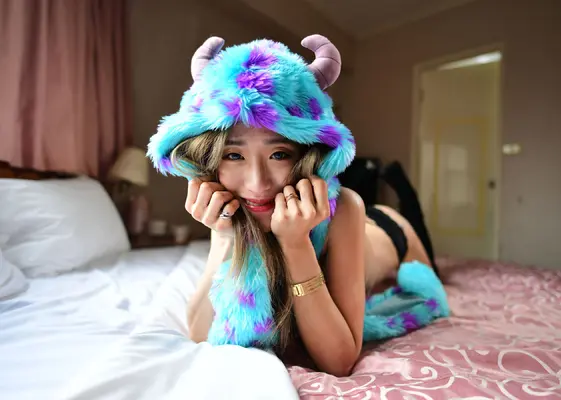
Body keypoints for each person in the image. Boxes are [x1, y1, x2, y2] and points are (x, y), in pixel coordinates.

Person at [147, 34, 448, 377]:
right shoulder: (231, 205)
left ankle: (399, 184)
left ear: (305, 153)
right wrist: (228, 237)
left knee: (426, 255)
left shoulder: (346, 207)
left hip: (392, 233)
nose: (257, 184)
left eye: (279, 154)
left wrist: (295, 244)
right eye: (233, 155)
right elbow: (200, 332)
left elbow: (339, 360)